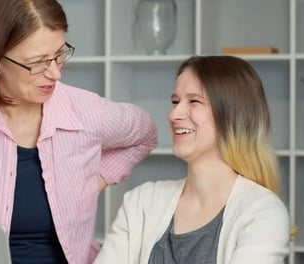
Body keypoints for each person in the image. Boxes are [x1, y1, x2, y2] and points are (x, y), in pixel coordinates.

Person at [0, 0, 158, 263]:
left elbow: (146, 132)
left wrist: (100, 176)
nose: (55, 73)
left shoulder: (85, 110)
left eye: (59, 55)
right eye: (37, 62)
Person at [94, 55, 290, 264]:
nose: (174, 114)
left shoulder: (263, 212)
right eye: (175, 102)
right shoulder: (141, 202)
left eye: (194, 101)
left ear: (233, 114)